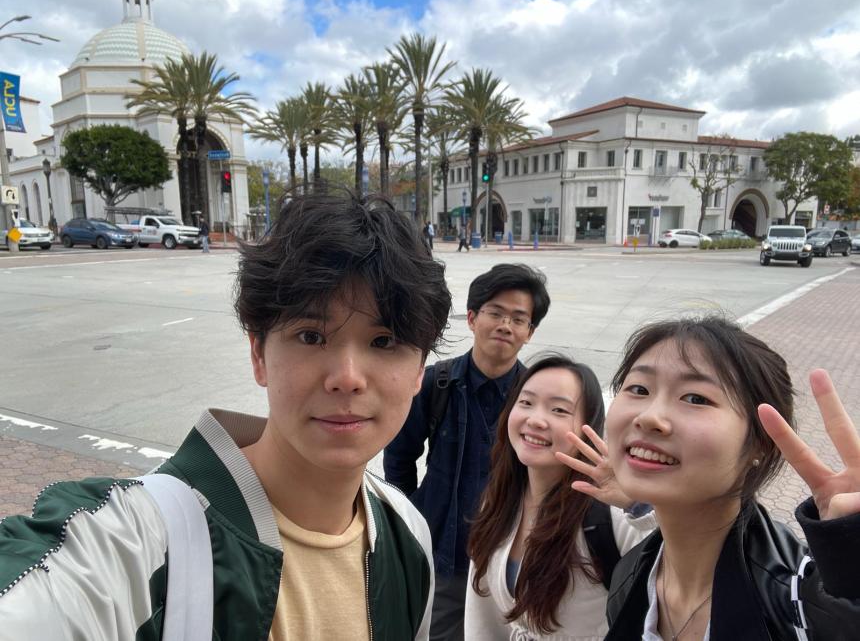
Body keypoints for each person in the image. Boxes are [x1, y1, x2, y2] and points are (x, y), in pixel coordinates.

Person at [0, 192, 452, 640]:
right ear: (258, 353)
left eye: (384, 341)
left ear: (419, 370)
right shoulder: (146, 542)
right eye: (312, 336)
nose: (347, 378)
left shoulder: (406, 537)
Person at [559, 316, 860, 640]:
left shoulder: (807, 603)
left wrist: (850, 553)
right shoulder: (629, 577)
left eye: (695, 398)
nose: (649, 417)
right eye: (639, 389)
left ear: (760, 442)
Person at [384, 263, 550, 641]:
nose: (506, 325)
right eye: (495, 312)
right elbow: (399, 457)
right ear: (472, 318)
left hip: (511, 555)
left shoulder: (535, 398)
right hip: (445, 553)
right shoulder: (435, 383)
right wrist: (415, 514)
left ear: (529, 332)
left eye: (518, 318)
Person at [466, 354, 656, 639]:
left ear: (587, 426)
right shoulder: (498, 502)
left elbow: (678, 580)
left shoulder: (612, 515)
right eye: (526, 402)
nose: (536, 419)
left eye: (558, 410)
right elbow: (482, 618)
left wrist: (638, 505)